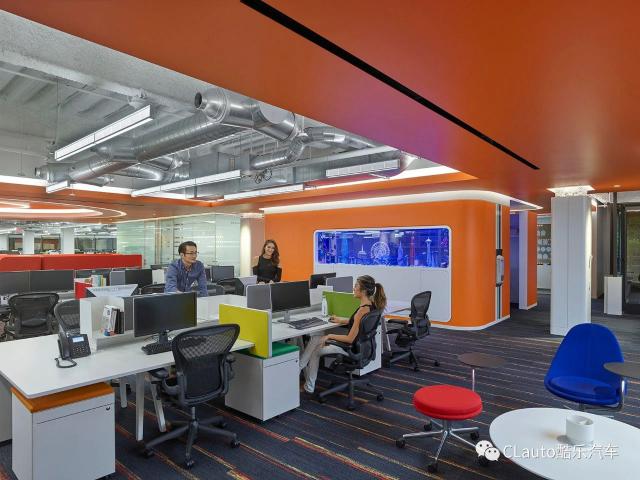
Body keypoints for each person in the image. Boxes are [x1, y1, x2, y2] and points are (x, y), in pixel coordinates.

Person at [299, 275, 386, 394]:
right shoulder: (371, 305)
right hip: (364, 347)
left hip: (351, 349)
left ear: (363, 291)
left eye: (356, 286)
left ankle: (306, 381)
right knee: (317, 341)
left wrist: (329, 336)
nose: (353, 288)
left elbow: (350, 339)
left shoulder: (362, 310)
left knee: (316, 348)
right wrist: (341, 320)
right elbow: (359, 323)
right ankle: (303, 373)